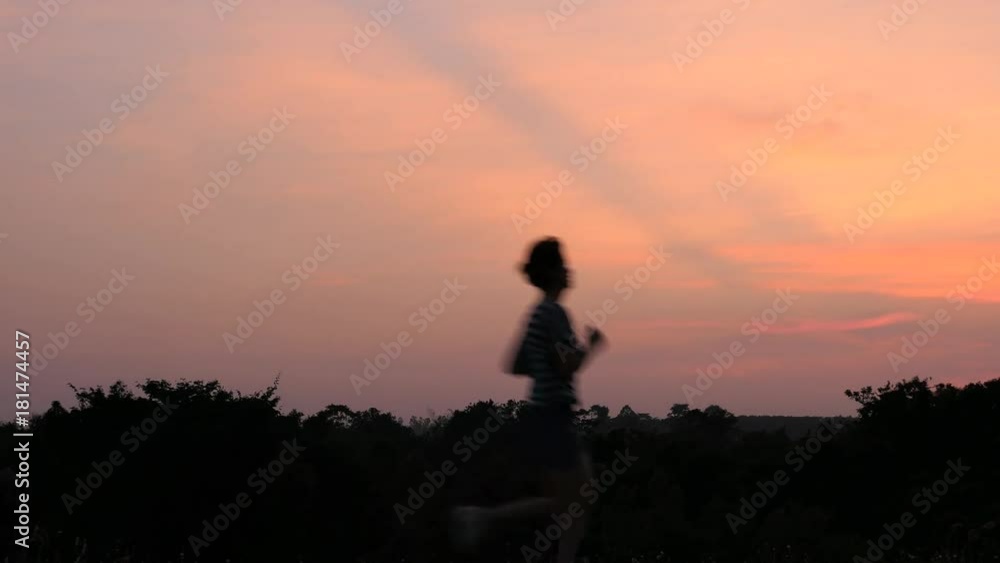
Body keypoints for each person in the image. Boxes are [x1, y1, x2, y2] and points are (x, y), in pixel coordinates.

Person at [451, 237, 606, 563]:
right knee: (573, 501)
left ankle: (485, 518)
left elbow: (515, 363)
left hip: (544, 416)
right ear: (551, 272)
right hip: (552, 416)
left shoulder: (536, 314)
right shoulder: (554, 314)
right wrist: (591, 345)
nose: (569, 271)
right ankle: (482, 517)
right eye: (562, 265)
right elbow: (567, 366)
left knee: (577, 497)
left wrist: (543, 358)